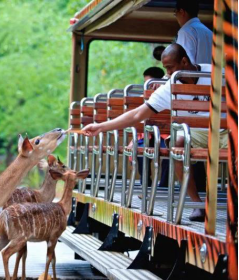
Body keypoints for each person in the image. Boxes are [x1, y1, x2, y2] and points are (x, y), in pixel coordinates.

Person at [82, 44, 228, 222]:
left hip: (227, 130)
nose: (166, 73)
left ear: (184, 61)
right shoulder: (170, 85)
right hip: (197, 134)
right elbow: (138, 114)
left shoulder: (215, 73)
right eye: (165, 68)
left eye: (170, 67)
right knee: (177, 142)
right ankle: (196, 204)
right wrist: (101, 126)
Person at [174, 0, 212, 64]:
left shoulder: (185, 31)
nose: (176, 17)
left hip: (194, 74)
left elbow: (185, 64)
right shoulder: (210, 32)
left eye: (175, 14)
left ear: (182, 12)